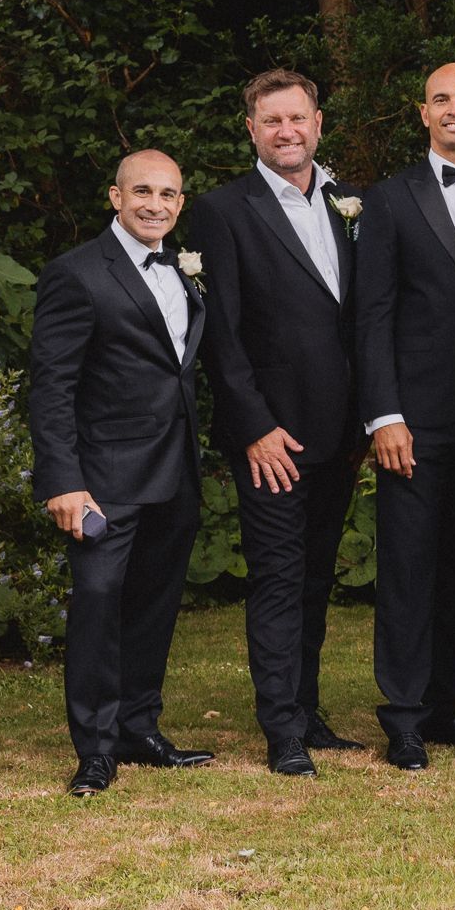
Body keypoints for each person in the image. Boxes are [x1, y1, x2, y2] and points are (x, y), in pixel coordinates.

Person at [191, 69, 364, 777]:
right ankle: (281, 730)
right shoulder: (222, 211)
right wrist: (254, 425)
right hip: (272, 438)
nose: (286, 132)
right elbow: (220, 333)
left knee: (316, 577)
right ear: (252, 131)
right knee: (278, 579)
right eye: (272, 121)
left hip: (342, 432)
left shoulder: (352, 203)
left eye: (297, 118)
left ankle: (307, 710)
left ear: (318, 123)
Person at [29, 150, 214, 796]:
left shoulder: (185, 270)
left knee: (153, 609)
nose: (154, 205)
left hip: (174, 472)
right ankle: (96, 749)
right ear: (115, 196)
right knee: (99, 609)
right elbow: (52, 387)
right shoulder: (76, 273)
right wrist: (62, 480)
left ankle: (139, 728)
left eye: (167, 195)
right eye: (142, 192)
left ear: (180, 204)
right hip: (102, 479)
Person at [354, 63, 455, 770]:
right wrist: (383, 414)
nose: (454, 109)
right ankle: (404, 715)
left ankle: (448, 701)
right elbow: (372, 315)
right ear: (423, 114)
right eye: (441, 99)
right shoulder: (390, 199)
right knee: (409, 567)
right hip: (414, 419)